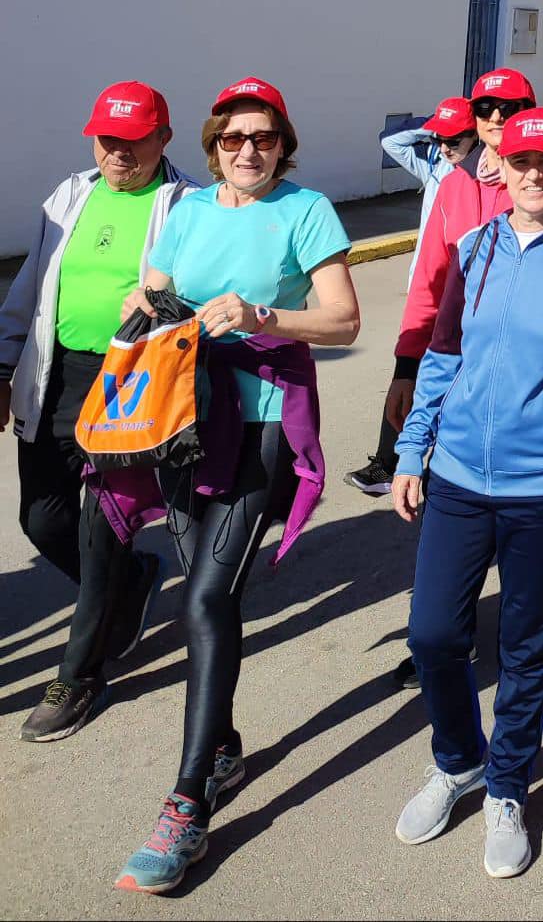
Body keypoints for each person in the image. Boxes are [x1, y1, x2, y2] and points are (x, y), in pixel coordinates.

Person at [112, 76, 358, 893]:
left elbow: (344, 319)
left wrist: (261, 316)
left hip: (258, 420)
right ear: (214, 142)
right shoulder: (184, 210)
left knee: (207, 599)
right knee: (198, 584)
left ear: (283, 141)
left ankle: (186, 805)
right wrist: (143, 298)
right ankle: (220, 748)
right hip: (183, 415)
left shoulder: (306, 209)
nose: (246, 150)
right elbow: (151, 288)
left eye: (262, 136)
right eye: (231, 137)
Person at [391, 107, 543, 881]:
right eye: (520, 161)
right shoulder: (475, 244)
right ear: (501, 163)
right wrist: (413, 446)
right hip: (457, 476)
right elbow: (442, 351)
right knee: (431, 635)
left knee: (524, 651)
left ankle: (506, 786)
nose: (531, 174)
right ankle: (458, 760)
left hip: (540, 489)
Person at [1, 81, 194, 743]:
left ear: (162, 138)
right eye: (107, 139)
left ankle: (79, 673)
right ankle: (132, 578)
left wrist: (164, 305)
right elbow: (31, 285)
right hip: (56, 375)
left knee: (100, 526)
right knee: (41, 519)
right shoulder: (70, 194)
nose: (118, 153)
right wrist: (3, 366)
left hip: (130, 385)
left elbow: (205, 296)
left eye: (133, 140)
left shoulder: (187, 207)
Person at [385, 68, 543, 684]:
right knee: (457, 510)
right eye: (486, 107)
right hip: (460, 377)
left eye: (512, 106)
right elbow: (429, 284)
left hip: (531, 386)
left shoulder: (540, 185)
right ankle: (450, 634)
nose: (497, 117)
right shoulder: (451, 187)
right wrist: (405, 367)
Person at [347, 98, 479, 495]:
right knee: (405, 378)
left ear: (477, 137)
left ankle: (427, 465)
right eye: (440, 140)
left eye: (455, 139)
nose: (445, 147)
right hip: (425, 291)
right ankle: (388, 463)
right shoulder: (437, 167)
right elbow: (393, 143)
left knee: (443, 384)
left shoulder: (485, 183)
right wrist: (434, 128)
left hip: (458, 301)